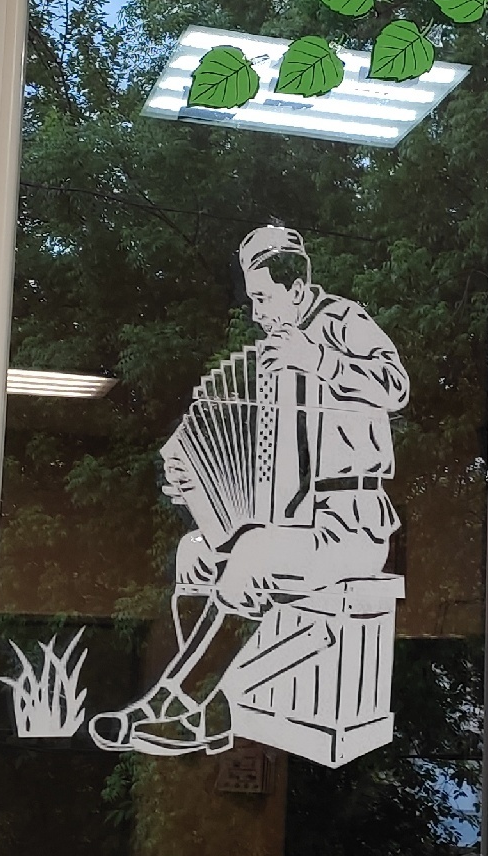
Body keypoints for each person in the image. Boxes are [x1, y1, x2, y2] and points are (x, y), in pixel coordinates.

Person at [90, 224, 407, 755]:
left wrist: (319, 360)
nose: (257, 313)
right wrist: (197, 488)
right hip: (293, 526)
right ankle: (212, 717)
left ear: (297, 289)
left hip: (351, 525)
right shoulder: (273, 356)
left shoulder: (342, 321)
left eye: (263, 298)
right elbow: (262, 463)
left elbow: (395, 387)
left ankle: (175, 705)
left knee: (255, 555)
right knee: (195, 554)